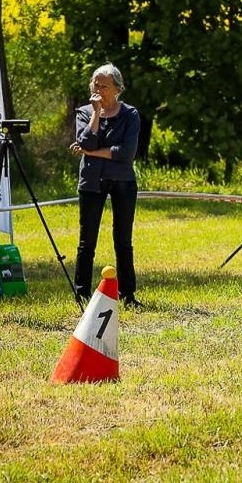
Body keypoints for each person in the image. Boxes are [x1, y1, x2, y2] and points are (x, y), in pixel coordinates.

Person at [69, 64, 142, 306]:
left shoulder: (130, 115)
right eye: (96, 85)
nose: (99, 90)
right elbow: (86, 142)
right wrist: (96, 113)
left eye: (104, 86)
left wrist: (93, 152)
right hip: (91, 180)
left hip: (123, 180)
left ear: (117, 89)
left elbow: (126, 153)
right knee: (86, 240)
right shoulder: (83, 112)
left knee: (123, 239)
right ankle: (81, 293)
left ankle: (128, 294)